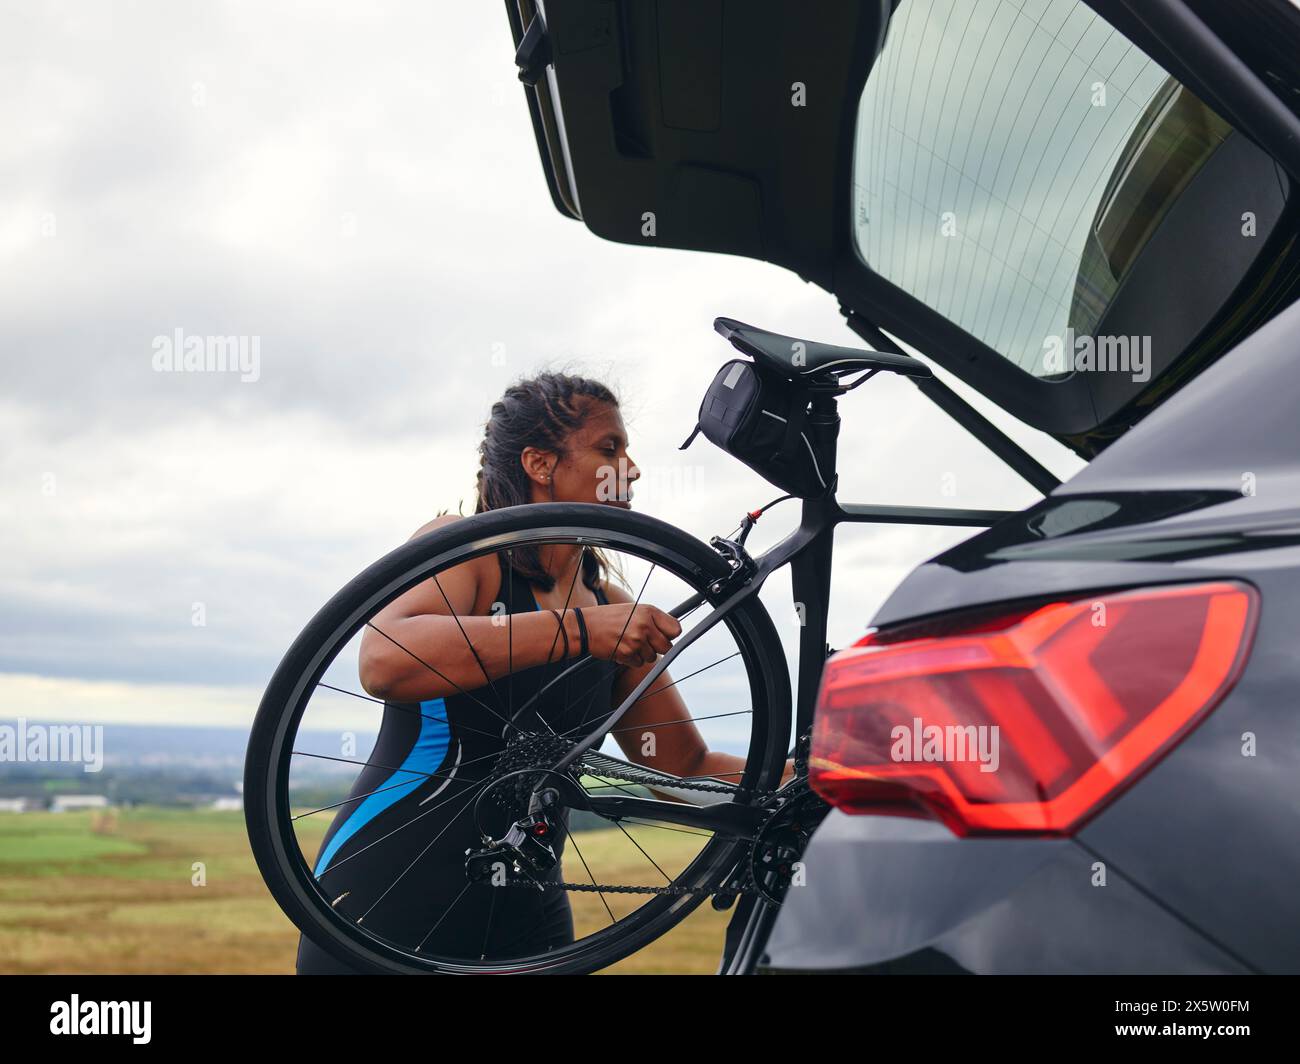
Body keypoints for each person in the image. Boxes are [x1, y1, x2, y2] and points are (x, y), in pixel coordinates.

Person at [296, 371, 789, 973]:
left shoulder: (610, 605)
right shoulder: (465, 552)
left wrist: (826, 775)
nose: (630, 470)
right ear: (540, 462)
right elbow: (385, 659)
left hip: (530, 919)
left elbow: (682, 770)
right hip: (386, 900)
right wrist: (579, 633)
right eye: (609, 449)